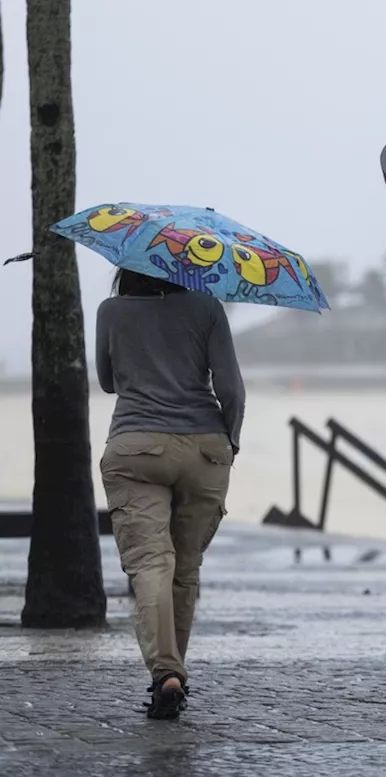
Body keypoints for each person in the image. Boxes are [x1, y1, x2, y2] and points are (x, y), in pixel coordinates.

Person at [96, 268, 245, 719]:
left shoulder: (111, 311)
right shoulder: (207, 308)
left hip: (136, 446)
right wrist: (230, 442)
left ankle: (166, 673)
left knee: (151, 564)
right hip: (205, 450)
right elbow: (231, 388)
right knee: (185, 567)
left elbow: (107, 381)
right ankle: (173, 670)